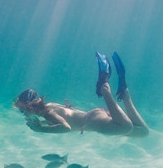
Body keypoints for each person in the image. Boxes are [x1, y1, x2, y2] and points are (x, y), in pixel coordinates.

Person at [14, 52, 149, 138]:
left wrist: (41, 130)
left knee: (126, 127)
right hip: (94, 117)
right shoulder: (48, 108)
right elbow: (62, 118)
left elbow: (65, 128)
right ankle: (125, 94)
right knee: (143, 132)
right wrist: (43, 123)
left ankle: (104, 87)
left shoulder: (47, 113)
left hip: (93, 122)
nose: (23, 113)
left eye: (22, 109)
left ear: (30, 106)